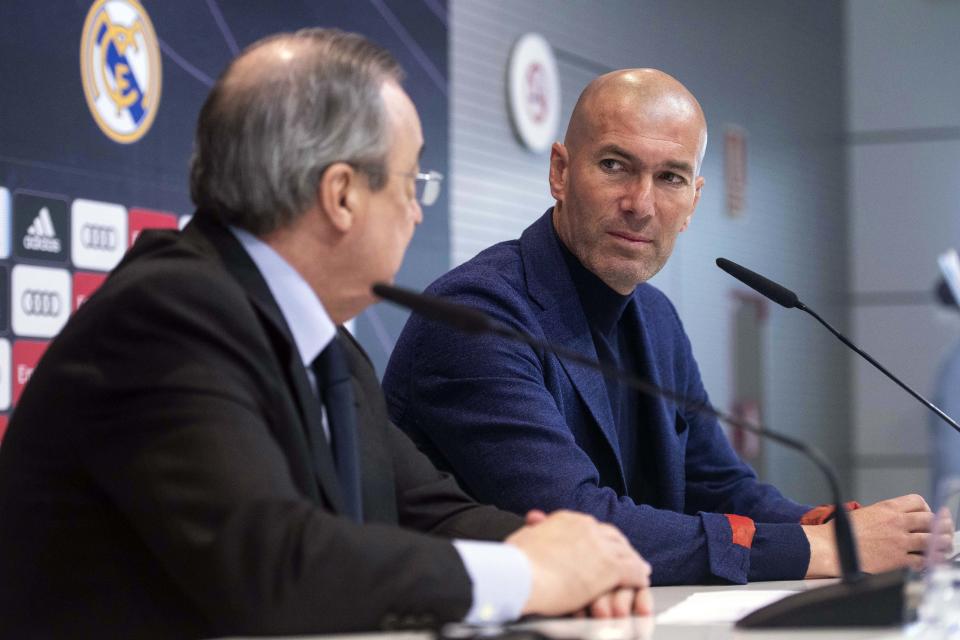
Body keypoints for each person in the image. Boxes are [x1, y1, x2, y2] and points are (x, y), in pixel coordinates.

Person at [0, 30, 654, 639]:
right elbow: (275, 563)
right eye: (412, 180)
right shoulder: (166, 315)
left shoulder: (330, 345)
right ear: (341, 194)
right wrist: (529, 576)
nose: (417, 208)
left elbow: (433, 512)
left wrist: (581, 558)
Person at [383, 68, 936, 585]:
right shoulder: (476, 316)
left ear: (693, 202)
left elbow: (718, 486)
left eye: (669, 177)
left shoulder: (655, 316)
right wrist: (825, 549)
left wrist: (838, 524)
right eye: (615, 166)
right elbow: (576, 525)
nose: (640, 205)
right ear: (560, 172)